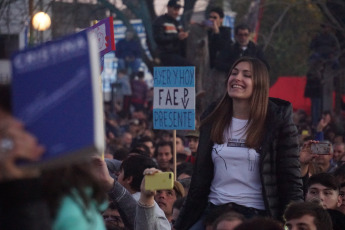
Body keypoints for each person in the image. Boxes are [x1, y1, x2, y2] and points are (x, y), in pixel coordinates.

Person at [174, 57, 303, 230]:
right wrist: (182, 223)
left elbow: (290, 180)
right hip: (213, 212)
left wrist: (294, 222)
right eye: (233, 73)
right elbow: (199, 179)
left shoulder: (277, 121)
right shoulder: (213, 117)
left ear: (259, 83)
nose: (237, 78)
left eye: (246, 75)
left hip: (255, 215)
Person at [152, 0, 192, 66]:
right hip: (165, 55)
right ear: (168, 8)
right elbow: (158, 38)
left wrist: (185, 36)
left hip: (178, 55)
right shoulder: (160, 21)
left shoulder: (178, 23)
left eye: (178, 10)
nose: (177, 12)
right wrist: (177, 36)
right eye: (175, 9)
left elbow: (181, 40)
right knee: (190, 68)